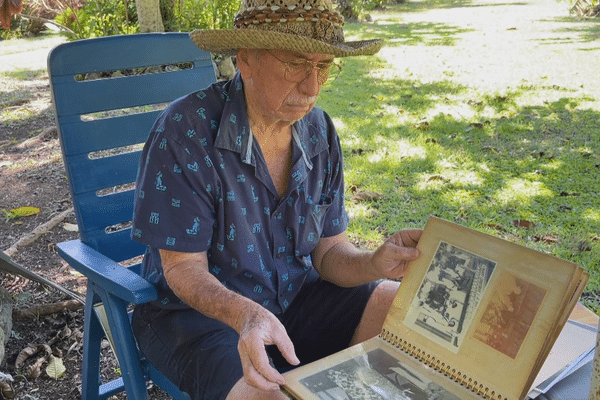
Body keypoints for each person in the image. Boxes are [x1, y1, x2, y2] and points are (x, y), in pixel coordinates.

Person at [130, 0, 422, 398]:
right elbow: (182, 269)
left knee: (404, 313)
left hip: (297, 299)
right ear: (245, 59)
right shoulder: (185, 132)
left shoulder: (318, 130)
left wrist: (374, 262)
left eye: (323, 67)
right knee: (266, 394)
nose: (312, 86)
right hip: (202, 318)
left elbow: (329, 252)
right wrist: (246, 314)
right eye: (296, 63)